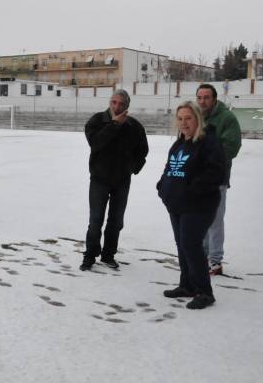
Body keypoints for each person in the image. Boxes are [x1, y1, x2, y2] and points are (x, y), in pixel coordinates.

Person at [157, 101, 226, 309]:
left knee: (191, 245)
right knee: (182, 245)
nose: (184, 123)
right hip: (176, 204)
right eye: (180, 118)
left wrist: (191, 190)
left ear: (198, 119)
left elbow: (216, 173)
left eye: (188, 118)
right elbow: (169, 169)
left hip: (198, 205)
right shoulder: (178, 144)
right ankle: (187, 285)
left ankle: (205, 292)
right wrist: (162, 187)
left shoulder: (208, 143)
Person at [80, 89, 149, 270]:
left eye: (121, 104)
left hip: (122, 181)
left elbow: (143, 151)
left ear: (127, 106)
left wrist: (133, 168)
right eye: (114, 103)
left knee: (116, 221)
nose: (117, 107)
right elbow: (96, 143)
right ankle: (90, 255)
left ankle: (108, 255)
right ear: (110, 102)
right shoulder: (97, 121)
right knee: (95, 219)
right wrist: (114, 125)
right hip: (99, 179)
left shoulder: (134, 126)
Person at [196, 83, 242, 275]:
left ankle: (215, 261)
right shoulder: (196, 116)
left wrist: (204, 155)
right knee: (199, 218)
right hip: (196, 178)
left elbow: (231, 148)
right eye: (199, 97)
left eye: (206, 97)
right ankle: (202, 255)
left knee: (214, 220)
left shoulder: (227, 118)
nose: (202, 101)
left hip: (217, 179)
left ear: (214, 99)